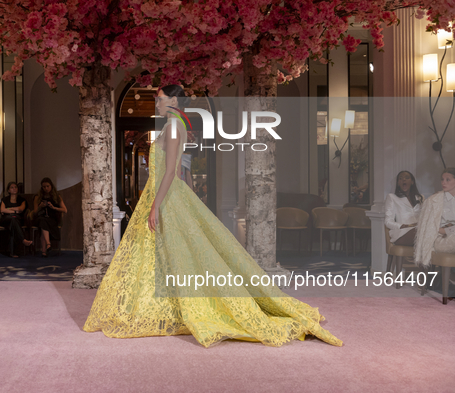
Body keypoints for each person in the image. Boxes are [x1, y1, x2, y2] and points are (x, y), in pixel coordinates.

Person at [83, 85, 342, 348]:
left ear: (173, 100)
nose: (156, 103)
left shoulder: (173, 127)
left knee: (179, 254)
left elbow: (170, 172)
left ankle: (178, 304)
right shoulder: (175, 125)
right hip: (168, 196)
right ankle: (164, 303)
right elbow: (182, 171)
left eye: (159, 98)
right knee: (169, 254)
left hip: (164, 198)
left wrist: (155, 205)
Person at [415, 167, 455, 268]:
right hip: (439, 239)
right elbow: (429, 227)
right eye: (442, 179)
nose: (443, 182)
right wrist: (445, 230)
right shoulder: (434, 201)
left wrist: (449, 229)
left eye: (448, 179)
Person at [385, 171, 423, 246]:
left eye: (407, 178)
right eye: (400, 178)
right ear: (398, 183)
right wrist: (403, 225)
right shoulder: (392, 197)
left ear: (412, 182)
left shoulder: (420, 197)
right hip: (402, 232)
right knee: (422, 232)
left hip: (420, 229)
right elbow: (388, 222)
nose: (403, 180)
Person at [33, 178, 67, 257]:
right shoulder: (38, 197)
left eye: (47, 186)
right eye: (44, 187)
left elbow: (65, 210)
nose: (46, 188)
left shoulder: (56, 196)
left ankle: (44, 251)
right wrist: (40, 206)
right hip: (40, 216)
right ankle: (48, 244)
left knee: (43, 224)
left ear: (51, 186)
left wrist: (53, 207)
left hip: (52, 218)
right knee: (42, 221)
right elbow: (35, 211)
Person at [0, 181, 33, 257]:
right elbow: (2, 210)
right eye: (12, 187)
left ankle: (12, 252)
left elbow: (21, 209)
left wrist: (9, 209)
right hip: (6, 219)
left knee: (13, 223)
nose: (14, 189)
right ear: (8, 190)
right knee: (13, 220)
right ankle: (23, 240)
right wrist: (15, 210)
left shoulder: (22, 200)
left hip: (17, 219)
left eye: (15, 187)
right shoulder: (5, 199)